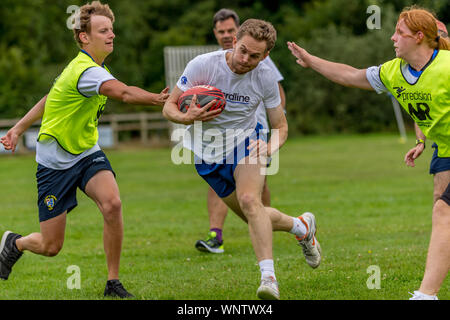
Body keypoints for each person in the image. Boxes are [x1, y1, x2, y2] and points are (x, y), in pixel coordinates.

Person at [0, 1, 169, 298]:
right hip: (54, 162)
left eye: (112, 30)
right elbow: (125, 94)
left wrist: (18, 127)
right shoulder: (84, 71)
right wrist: (158, 99)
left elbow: (50, 96)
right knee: (51, 247)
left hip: (87, 153)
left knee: (112, 204)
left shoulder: (95, 68)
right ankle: (16, 243)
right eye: (103, 30)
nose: (111, 35)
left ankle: (112, 283)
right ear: (84, 37)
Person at [287, 6, 450, 300]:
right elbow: (350, 75)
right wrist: (312, 61)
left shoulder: (448, 66)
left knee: (444, 211)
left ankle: (426, 296)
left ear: (419, 36)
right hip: (446, 149)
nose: (392, 38)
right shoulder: (394, 71)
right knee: (442, 208)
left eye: (399, 33)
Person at [163, 18, 321, 300]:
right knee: (256, 216)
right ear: (234, 41)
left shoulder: (265, 78)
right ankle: (302, 226)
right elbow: (169, 106)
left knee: (251, 201)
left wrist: (269, 148)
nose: (245, 59)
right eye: (243, 50)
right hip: (207, 154)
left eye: (255, 56)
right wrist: (187, 117)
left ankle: (269, 278)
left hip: (246, 143)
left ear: (266, 56)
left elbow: (281, 127)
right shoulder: (203, 65)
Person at [195, 8, 286, 254]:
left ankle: (263, 230)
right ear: (216, 34)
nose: (226, 35)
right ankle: (217, 234)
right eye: (221, 31)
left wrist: (273, 135)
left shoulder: (259, 59)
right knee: (220, 183)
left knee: (255, 190)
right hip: (219, 136)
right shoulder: (211, 62)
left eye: (229, 30)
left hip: (253, 133)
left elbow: (277, 97)